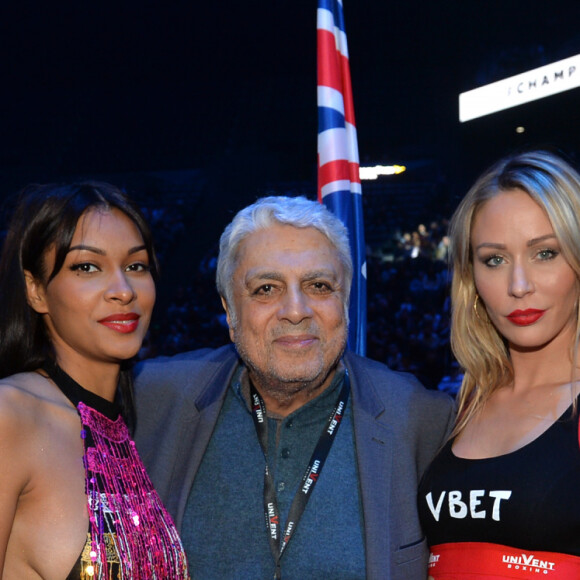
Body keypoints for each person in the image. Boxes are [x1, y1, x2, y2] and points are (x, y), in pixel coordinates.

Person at [134, 195, 455, 579]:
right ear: (230, 312)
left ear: (346, 302)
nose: (296, 310)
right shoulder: (151, 398)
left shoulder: (422, 419)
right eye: (266, 289)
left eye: (319, 285)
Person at [0, 182, 190, 578]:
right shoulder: (11, 416)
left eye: (136, 266)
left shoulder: (135, 430)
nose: (123, 291)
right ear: (35, 290)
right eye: (87, 267)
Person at [418, 150, 580, 578]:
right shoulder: (461, 404)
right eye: (495, 260)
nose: (518, 286)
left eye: (545, 253)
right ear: (471, 280)